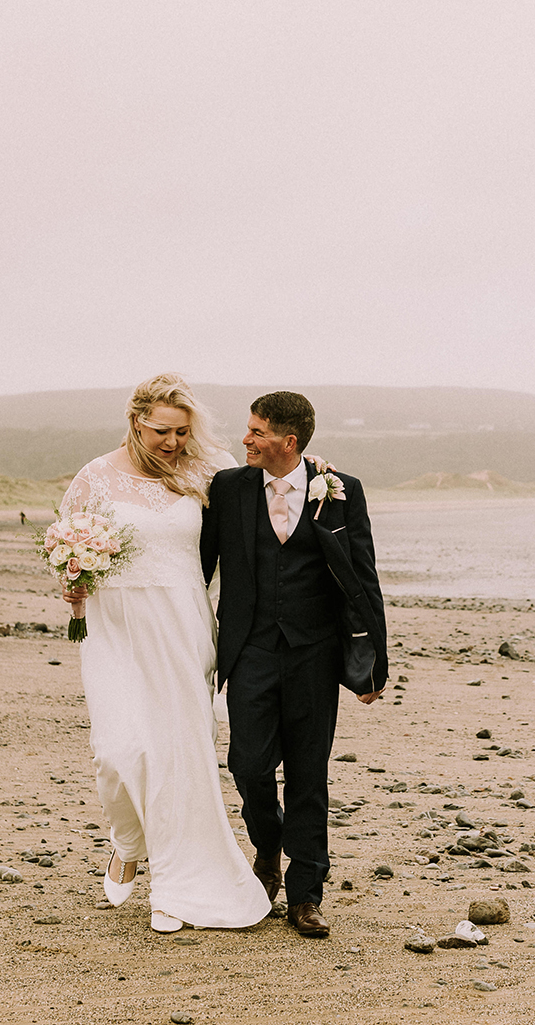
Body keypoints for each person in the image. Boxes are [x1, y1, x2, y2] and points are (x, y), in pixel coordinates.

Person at [60, 373, 270, 935]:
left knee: (178, 755)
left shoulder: (209, 467)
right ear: (135, 422)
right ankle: (128, 842)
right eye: (162, 431)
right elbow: (69, 544)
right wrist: (72, 582)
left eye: (181, 431)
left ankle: (176, 887)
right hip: (114, 626)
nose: (173, 442)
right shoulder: (95, 476)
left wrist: (313, 469)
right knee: (117, 748)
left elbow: (269, 489)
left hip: (180, 622)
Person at [200, 391, 388, 938]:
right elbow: (200, 567)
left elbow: (363, 577)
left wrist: (372, 665)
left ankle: (306, 894)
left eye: (256, 432)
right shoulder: (229, 488)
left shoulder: (341, 490)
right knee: (248, 767)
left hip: (314, 655)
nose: (246, 439)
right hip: (251, 649)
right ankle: (267, 846)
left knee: (309, 775)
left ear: (290, 441)